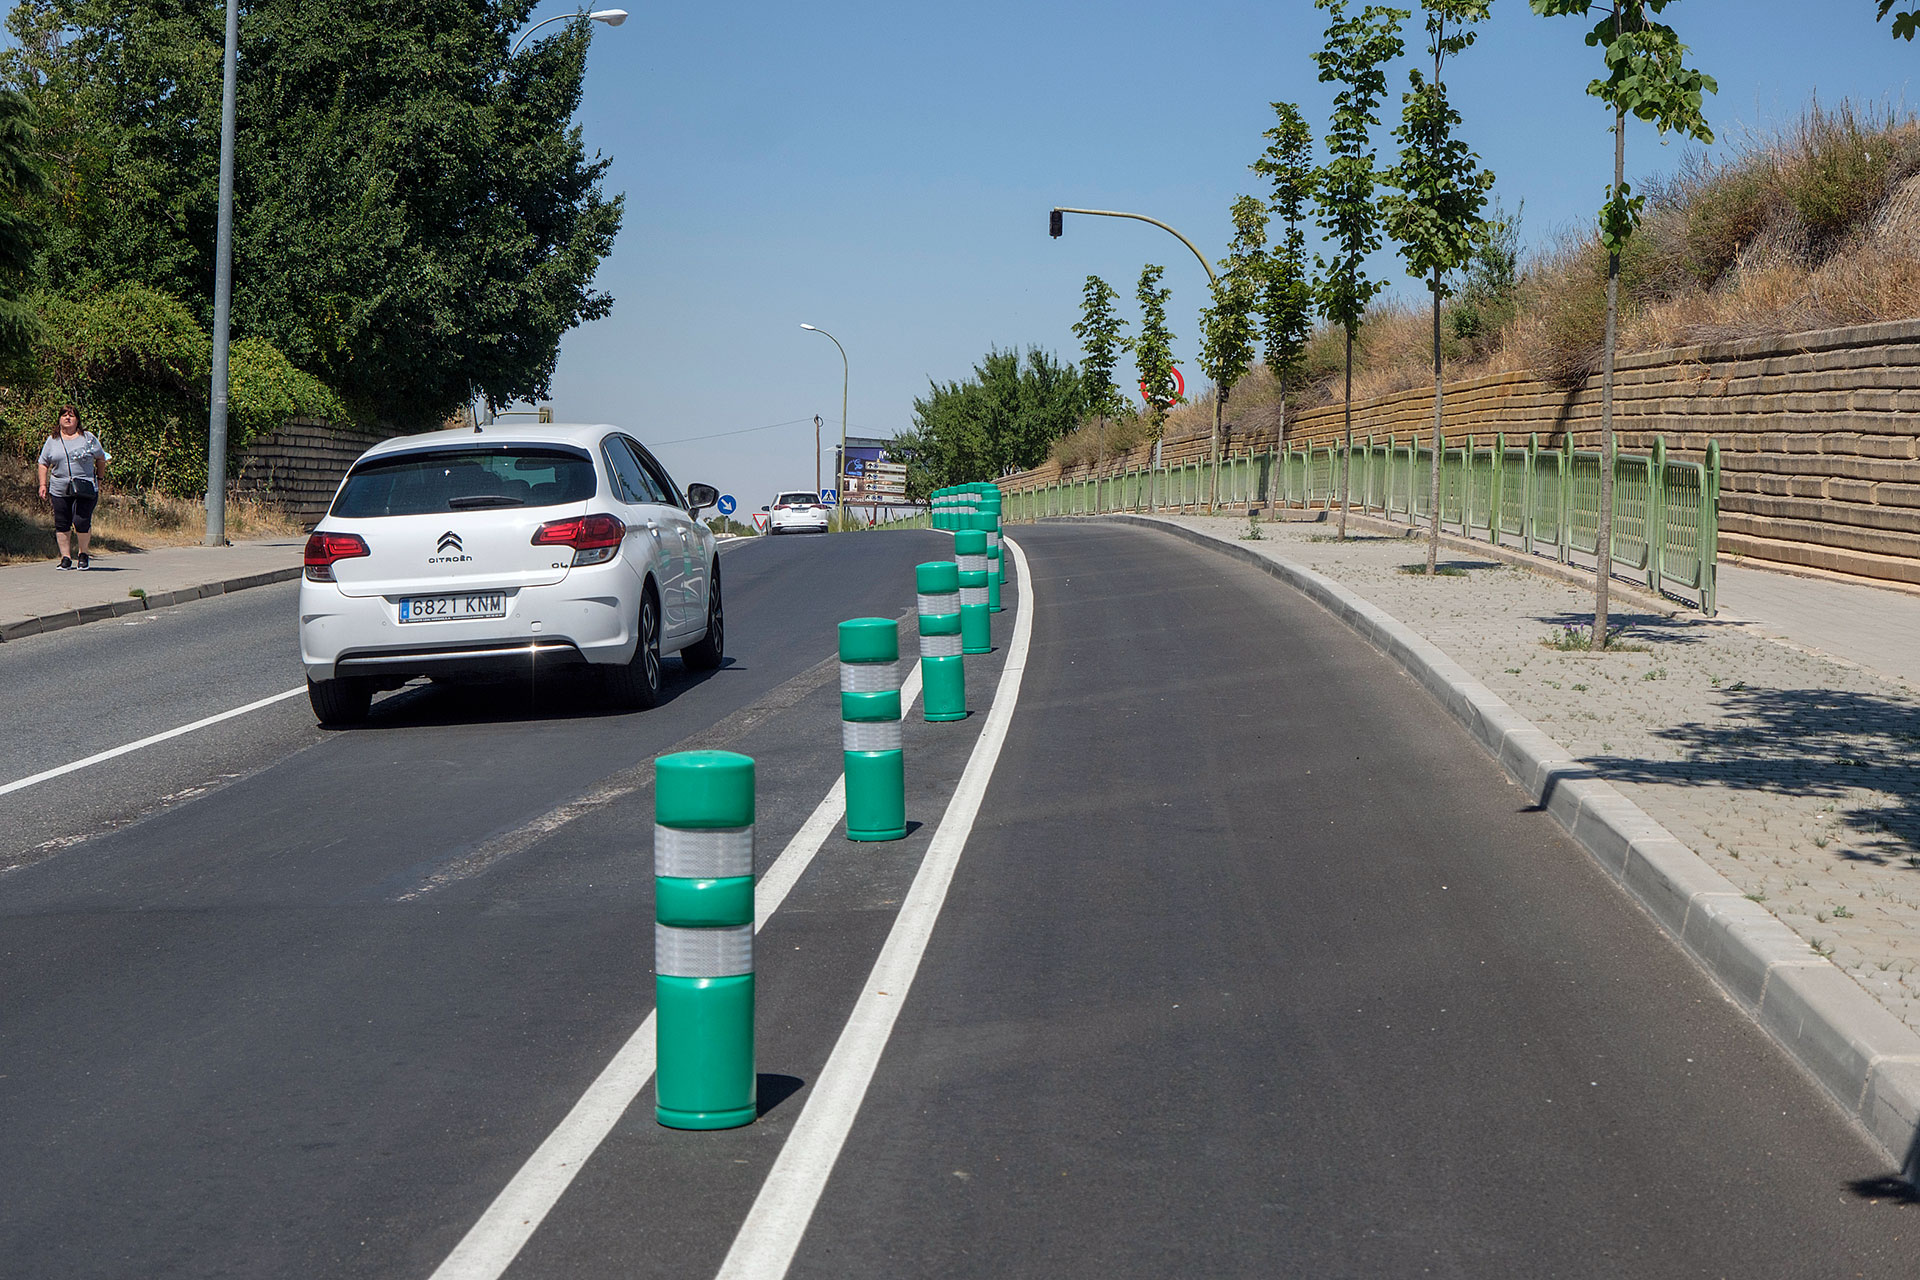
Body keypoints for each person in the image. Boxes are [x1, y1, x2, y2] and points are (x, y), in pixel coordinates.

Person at [37, 404, 109, 571]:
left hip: (85, 486)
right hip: (59, 487)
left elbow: (101, 457)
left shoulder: (88, 438)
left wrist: (100, 478)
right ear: (59, 419)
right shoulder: (52, 440)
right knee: (62, 522)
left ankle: (83, 554)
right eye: (64, 415)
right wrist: (42, 484)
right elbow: (43, 463)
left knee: (81, 520)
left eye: (71, 416)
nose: (67, 418)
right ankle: (65, 557)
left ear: (77, 420)